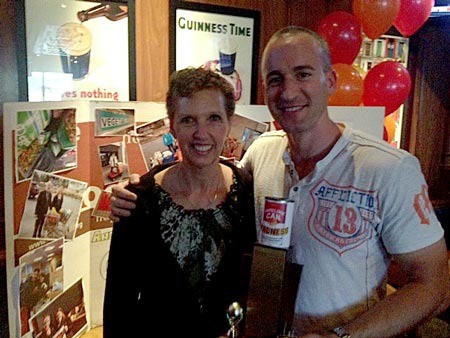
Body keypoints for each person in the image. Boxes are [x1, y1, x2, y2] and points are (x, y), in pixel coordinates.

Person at [109, 27, 450, 337]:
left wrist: (344, 336)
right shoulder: (261, 155)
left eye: (303, 74)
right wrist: (133, 189)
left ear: (330, 80)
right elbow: (205, 172)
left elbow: (435, 286)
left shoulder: (389, 168)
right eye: (275, 79)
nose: (288, 91)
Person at [103, 67, 256, 338]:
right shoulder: (138, 200)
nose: (202, 133)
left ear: (229, 122)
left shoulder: (246, 192)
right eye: (188, 120)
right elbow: (118, 307)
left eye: (213, 118)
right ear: (172, 125)